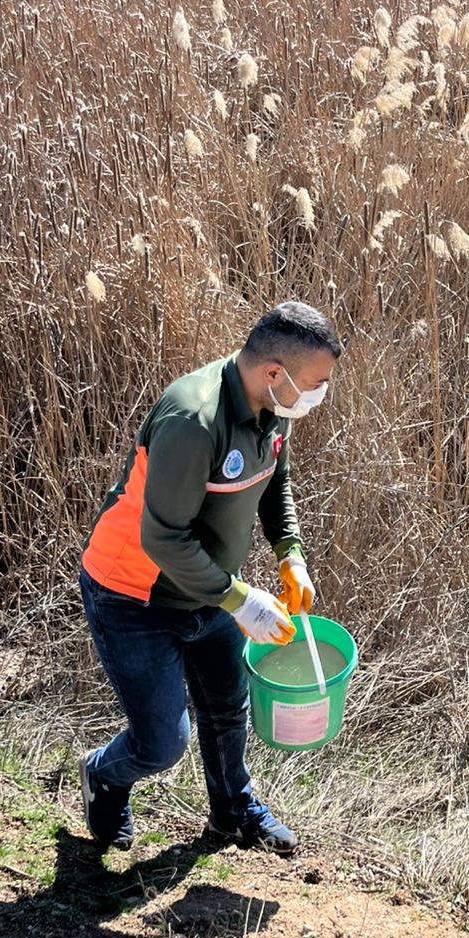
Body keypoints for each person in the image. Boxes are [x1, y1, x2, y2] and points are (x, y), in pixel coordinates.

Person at [77, 301, 340, 857]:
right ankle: (104, 774)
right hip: (135, 595)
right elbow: (162, 538)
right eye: (315, 383)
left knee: (227, 707)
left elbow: (274, 485)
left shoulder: (272, 408)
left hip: (212, 588)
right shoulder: (194, 419)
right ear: (275, 371)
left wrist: (290, 553)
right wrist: (240, 599)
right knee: (161, 742)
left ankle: (233, 812)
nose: (319, 396)